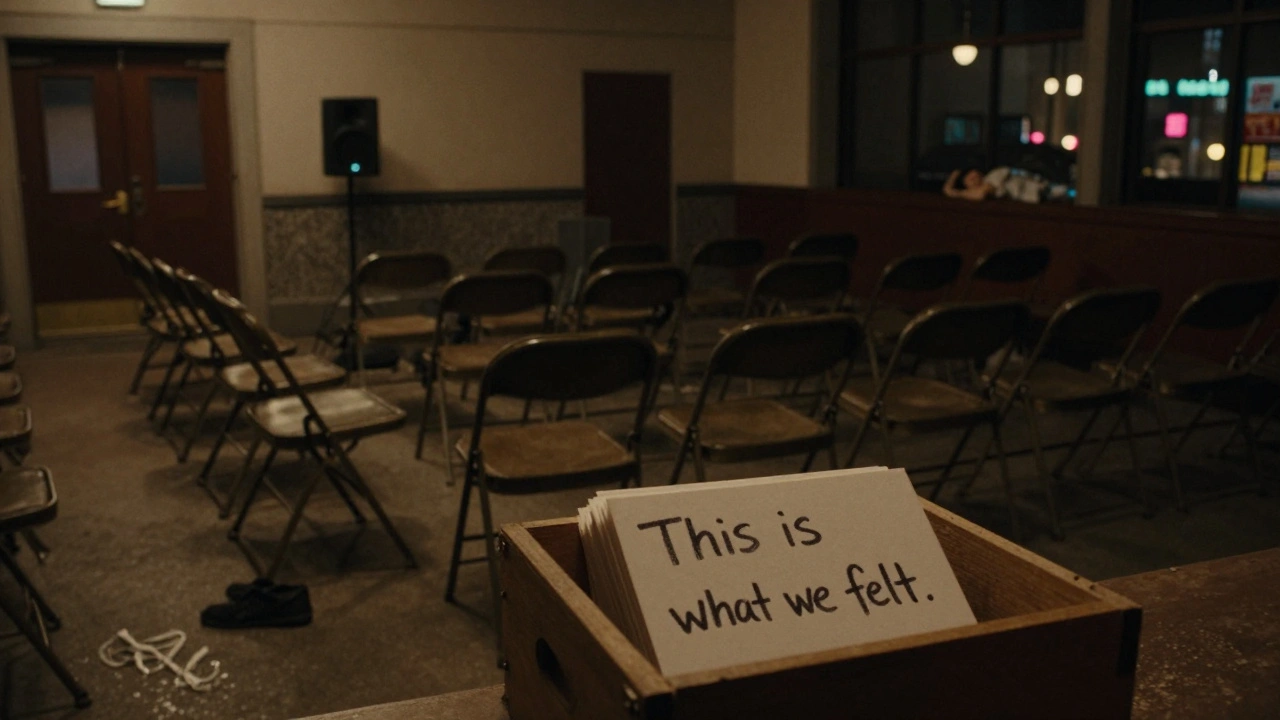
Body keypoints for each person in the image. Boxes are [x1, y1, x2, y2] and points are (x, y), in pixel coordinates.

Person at [944, 166, 1053, 204]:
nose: (970, 177)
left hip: (1049, 191)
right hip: (1043, 199)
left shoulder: (994, 175)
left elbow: (982, 194)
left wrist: (955, 193)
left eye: (969, 173)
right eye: (966, 179)